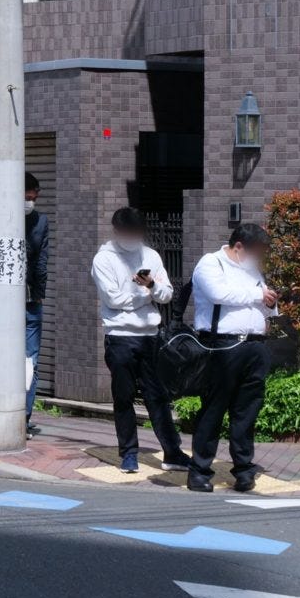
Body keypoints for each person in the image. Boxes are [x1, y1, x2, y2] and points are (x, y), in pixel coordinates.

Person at [90, 208, 192, 474]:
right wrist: (147, 295)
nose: (132, 238)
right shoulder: (104, 259)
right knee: (123, 397)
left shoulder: (151, 255)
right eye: (128, 233)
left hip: (150, 336)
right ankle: (129, 454)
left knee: (157, 397)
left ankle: (172, 452)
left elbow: (167, 294)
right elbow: (112, 300)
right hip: (120, 337)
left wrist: (152, 287)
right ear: (117, 232)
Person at [186, 224, 278, 493]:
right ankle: (200, 471)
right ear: (240, 247)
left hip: (255, 346)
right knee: (213, 410)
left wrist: (270, 303)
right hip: (222, 347)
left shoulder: (252, 270)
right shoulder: (211, 263)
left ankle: (244, 470)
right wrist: (258, 295)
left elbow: (264, 300)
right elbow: (219, 294)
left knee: (246, 411)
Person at [24, 172, 49, 433]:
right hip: (31, 299)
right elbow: (41, 263)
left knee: (27, 361)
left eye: (33, 198)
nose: (30, 201)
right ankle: (23, 417)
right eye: (27, 197)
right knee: (29, 360)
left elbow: (42, 264)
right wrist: (39, 292)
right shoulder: (41, 222)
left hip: (27, 300)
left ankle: (21, 415)